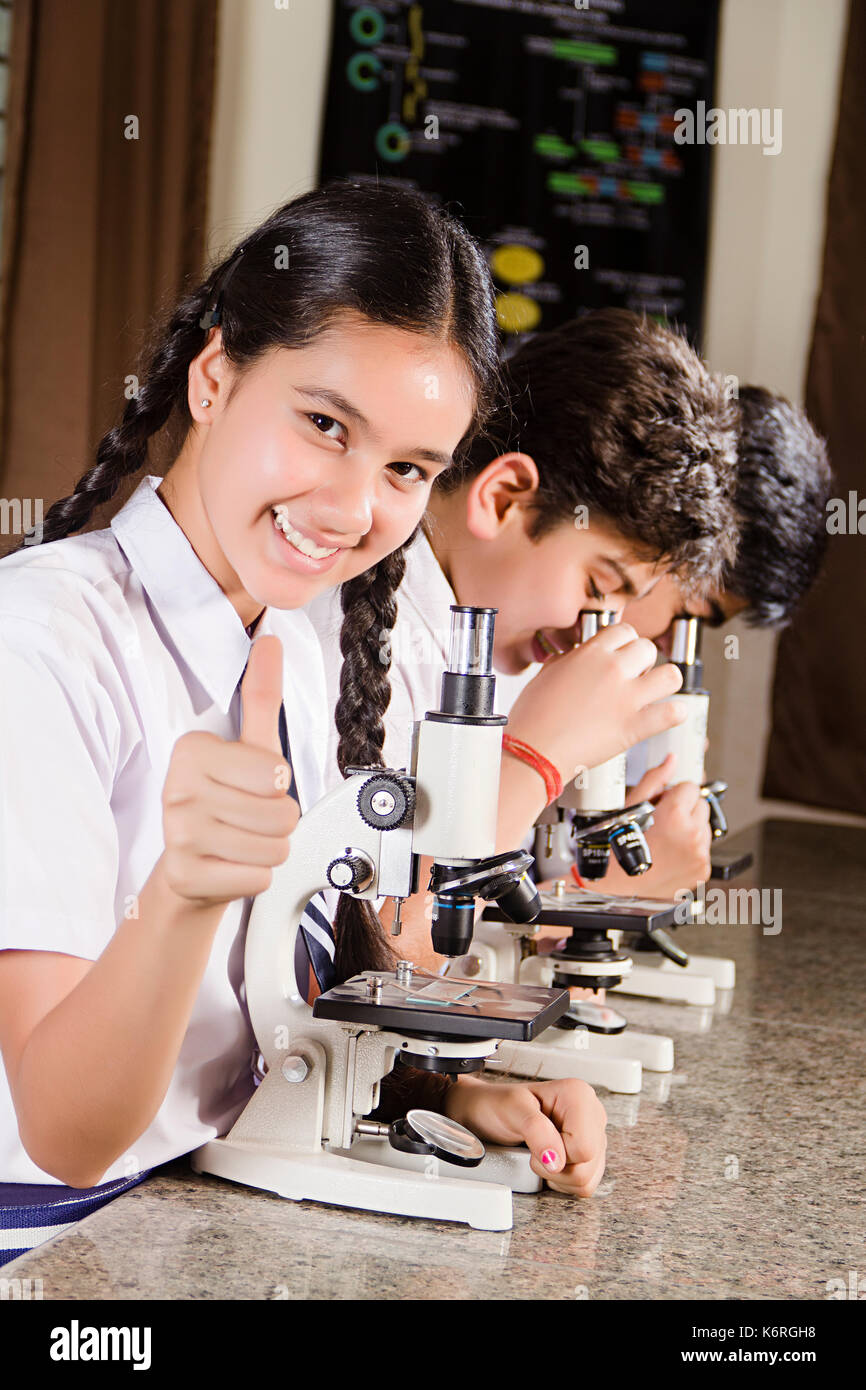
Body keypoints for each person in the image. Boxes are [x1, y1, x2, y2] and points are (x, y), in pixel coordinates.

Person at [0, 183, 607, 1269]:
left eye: (406, 470)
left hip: (198, 1211)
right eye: (324, 424)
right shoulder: (39, 638)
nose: (350, 506)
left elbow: (268, 1014)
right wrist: (182, 897)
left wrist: (449, 1091)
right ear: (215, 375)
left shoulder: (310, 635)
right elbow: (66, 1130)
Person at [306, 309, 740, 965]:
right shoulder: (345, 637)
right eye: (600, 584)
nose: (594, 630)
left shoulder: (491, 638)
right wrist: (537, 760)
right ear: (505, 497)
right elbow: (384, 960)